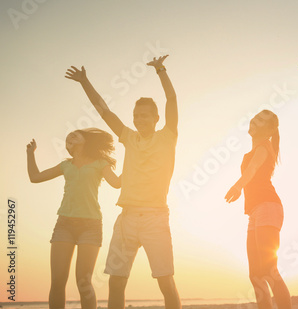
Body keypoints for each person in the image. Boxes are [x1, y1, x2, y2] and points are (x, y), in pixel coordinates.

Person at [65, 55, 181, 309]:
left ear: (156, 118)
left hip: (155, 218)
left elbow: (171, 99)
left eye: (145, 116)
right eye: (136, 116)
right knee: (116, 282)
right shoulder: (128, 137)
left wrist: (160, 70)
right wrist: (85, 82)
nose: (140, 120)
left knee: (165, 282)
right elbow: (104, 110)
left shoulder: (167, 137)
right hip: (126, 219)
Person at [26, 128, 121, 309]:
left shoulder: (100, 163)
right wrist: (30, 154)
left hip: (90, 226)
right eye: (69, 135)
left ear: (86, 141)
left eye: (76, 134)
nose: (71, 136)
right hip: (64, 224)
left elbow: (117, 183)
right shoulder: (65, 165)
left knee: (83, 283)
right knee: (58, 280)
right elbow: (35, 177)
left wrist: (136, 164)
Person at [225, 110, 291, 309]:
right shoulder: (254, 150)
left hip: (268, 207)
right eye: (255, 117)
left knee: (269, 270)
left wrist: (237, 186)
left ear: (270, 130)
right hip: (255, 211)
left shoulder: (264, 147)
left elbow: (252, 169)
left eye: (261, 120)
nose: (255, 120)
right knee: (255, 275)